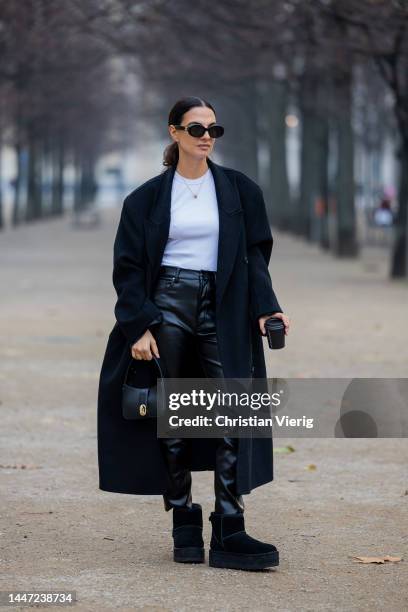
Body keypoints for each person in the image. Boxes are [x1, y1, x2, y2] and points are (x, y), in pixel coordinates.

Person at [97, 96, 290, 571]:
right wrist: (139, 325)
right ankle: (183, 516)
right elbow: (128, 268)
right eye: (196, 128)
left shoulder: (241, 191)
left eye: (213, 130)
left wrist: (268, 309)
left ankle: (230, 524)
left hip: (223, 304)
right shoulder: (145, 198)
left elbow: (254, 258)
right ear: (174, 133)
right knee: (174, 416)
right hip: (167, 304)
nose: (207, 136)